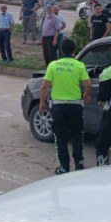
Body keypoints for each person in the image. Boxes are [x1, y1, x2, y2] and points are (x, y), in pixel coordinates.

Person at [39, 38, 92, 174]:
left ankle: (64, 166)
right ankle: (79, 163)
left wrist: (41, 102)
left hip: (58, 107)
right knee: (77, 134)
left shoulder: (53, 65)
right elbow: (88, 84)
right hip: (75, 106)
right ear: (74, 51)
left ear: (61, 51)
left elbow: (44, 86)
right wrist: (86, 94)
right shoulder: (79, 65)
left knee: (60, 136)